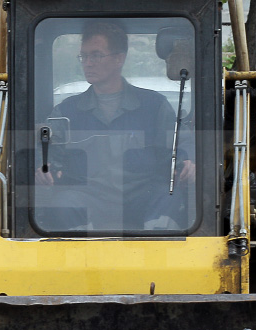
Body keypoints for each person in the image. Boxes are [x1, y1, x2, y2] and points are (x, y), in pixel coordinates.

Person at [34, 21, 190, 232]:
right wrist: (44, 168)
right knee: (64, 203)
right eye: (84, 56)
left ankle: (156, 256)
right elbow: (48, 151)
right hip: (88, 196)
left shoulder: (154, 107)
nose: (87, 63)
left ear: (119, 58)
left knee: (170, 196)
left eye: (96, 55)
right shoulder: (66, 112)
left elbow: (178, 148)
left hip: (142, 195)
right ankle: (81, 259)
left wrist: (188, 162)